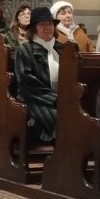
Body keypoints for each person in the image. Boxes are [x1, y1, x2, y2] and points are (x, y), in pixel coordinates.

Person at [12, 7, 61, 144]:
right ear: (34, 28)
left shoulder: (62, 48)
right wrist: (54, 98)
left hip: (63, 99)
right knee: (60, 119)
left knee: (80, 117)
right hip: (35, 98)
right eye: (42, 24)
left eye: (50, 24)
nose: (47, 28)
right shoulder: (25, 49)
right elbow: (25, 81)